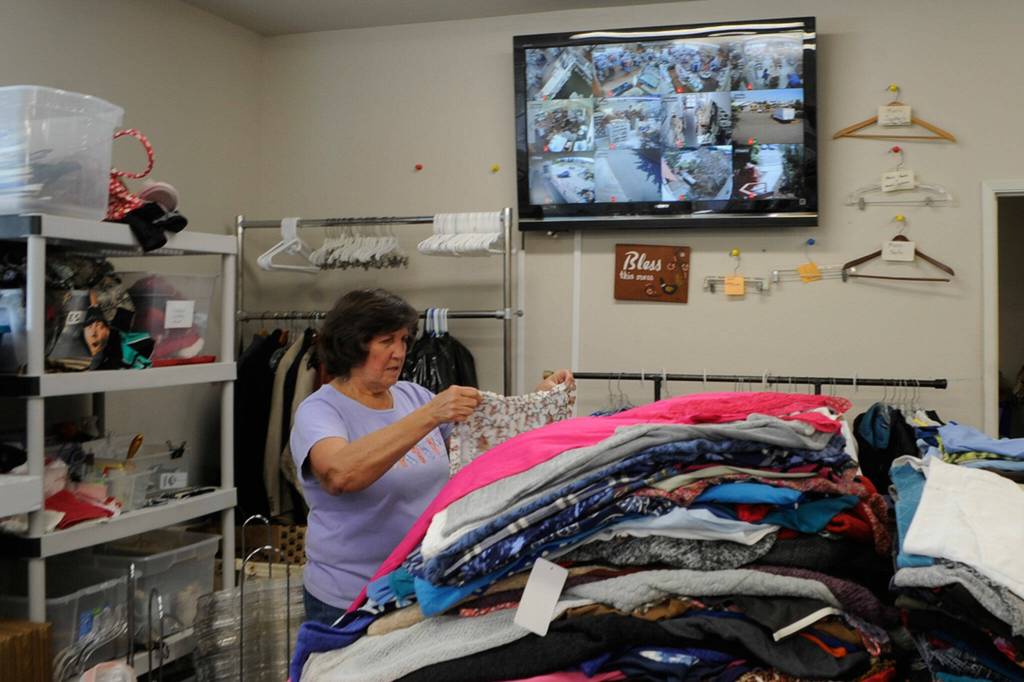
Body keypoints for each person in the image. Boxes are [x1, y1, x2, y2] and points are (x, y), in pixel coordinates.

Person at [289, 288, 574, 625]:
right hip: (347, 598)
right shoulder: (320, 410)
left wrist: (539, 404)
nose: (400, 353)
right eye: (386, 341)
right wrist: (431, 414)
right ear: (353, 343)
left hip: (416, 585)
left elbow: (488, 448)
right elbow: (340, 474)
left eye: (404, 340)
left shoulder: (412, 396)